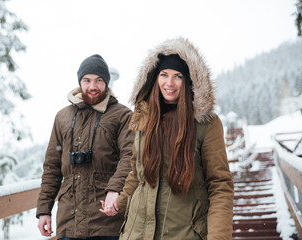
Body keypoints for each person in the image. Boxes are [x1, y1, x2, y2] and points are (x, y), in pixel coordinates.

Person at [103, 37, 234, 240]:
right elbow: (137, 175)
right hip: (136, 232)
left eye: (178, 76)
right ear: (155, 78)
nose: (169, 83)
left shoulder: (205, 124)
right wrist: (119, 202)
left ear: (188, 80)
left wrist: (218, 237)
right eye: (164, 75)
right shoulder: (144, 119)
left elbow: (219, 185)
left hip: (183, 233)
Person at [36, 54, 135, 240]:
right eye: (87, 80)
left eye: (99, 80)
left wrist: (115, 189)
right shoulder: (62, 117)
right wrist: (44, 210)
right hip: (69, 220)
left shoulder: (122, 115)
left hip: (106, 219)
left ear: (106, 82)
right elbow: (51, 167)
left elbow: (131, 157)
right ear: (79, 82)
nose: (92, 86)